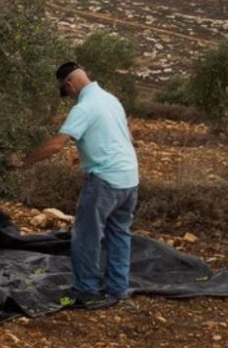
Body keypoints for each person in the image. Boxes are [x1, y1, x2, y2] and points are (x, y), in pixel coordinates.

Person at [9, 62, 139, 308]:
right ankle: (118, 289)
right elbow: (127, 137)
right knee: (119, 234)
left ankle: (86, 290)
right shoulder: (111, 99)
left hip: (105, 180)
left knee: (86, 236)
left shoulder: (84, 107)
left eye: (66, 92)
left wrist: (23, 161)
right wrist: (90, 151)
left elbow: (56, 144)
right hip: (130, 178)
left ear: (69, 84)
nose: (68, 96)